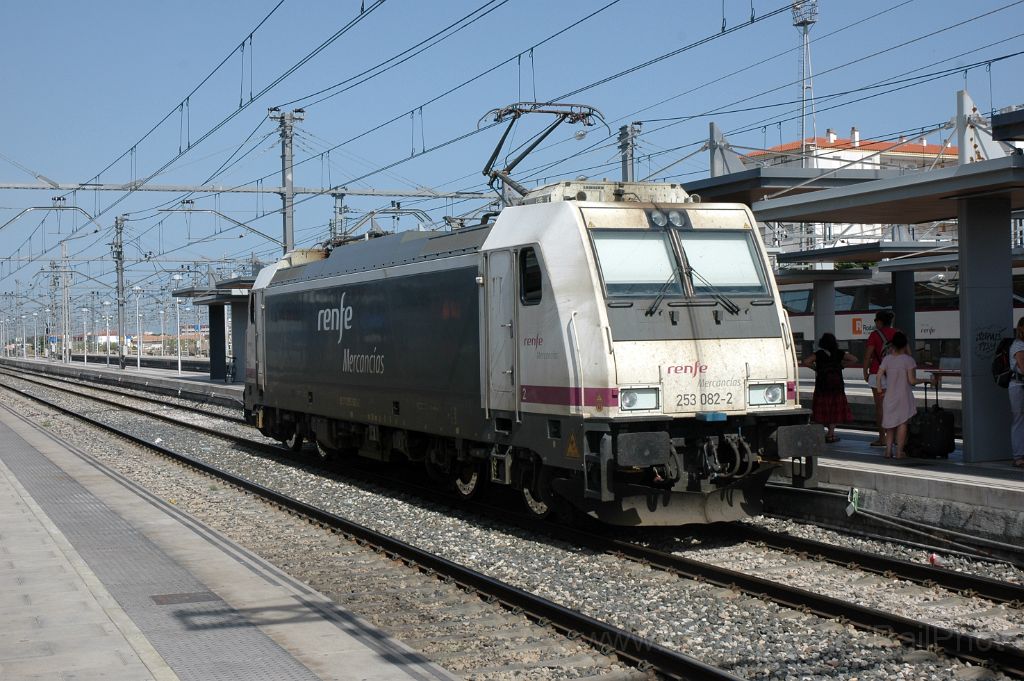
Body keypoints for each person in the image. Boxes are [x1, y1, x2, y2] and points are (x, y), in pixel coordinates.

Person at [877, 331, 927, 459]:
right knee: (902, 423)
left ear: (892, 345)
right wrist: (926, 380)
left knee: (890, 425)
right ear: (905, 345)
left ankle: (888, 451)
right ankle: (899, 452)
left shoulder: (887, 359)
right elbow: (912, 381)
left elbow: (878, 375)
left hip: (889, 396)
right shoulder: (908, 360)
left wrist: (879, 389)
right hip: (904, 396)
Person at [802, 333, 856, 443]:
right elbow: (854, 359)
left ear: (822, 343)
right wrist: (841, 366)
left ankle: (823, 431)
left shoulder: (819, 354)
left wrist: (816, 368)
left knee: (823, 409)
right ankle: (831, 433)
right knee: (834, 410)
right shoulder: (839, 353)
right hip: (837, 386)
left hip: (822, 386)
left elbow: (806, 361)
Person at [862, 310, 897, 447]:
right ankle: (893, 437)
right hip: (894, 374)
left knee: (880, 408)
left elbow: (867, 355)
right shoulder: (898, 334)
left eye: (876, 320)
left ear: (880, 322)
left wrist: (865, 371)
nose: (875, 323)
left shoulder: (875, 335)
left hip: (878, 374)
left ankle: (882, 438)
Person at [1010, 317, 1024, 468]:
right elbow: (1023, 367)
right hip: (1018, 386)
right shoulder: (1018, 345)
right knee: (1019, 420)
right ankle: (1018, 456)